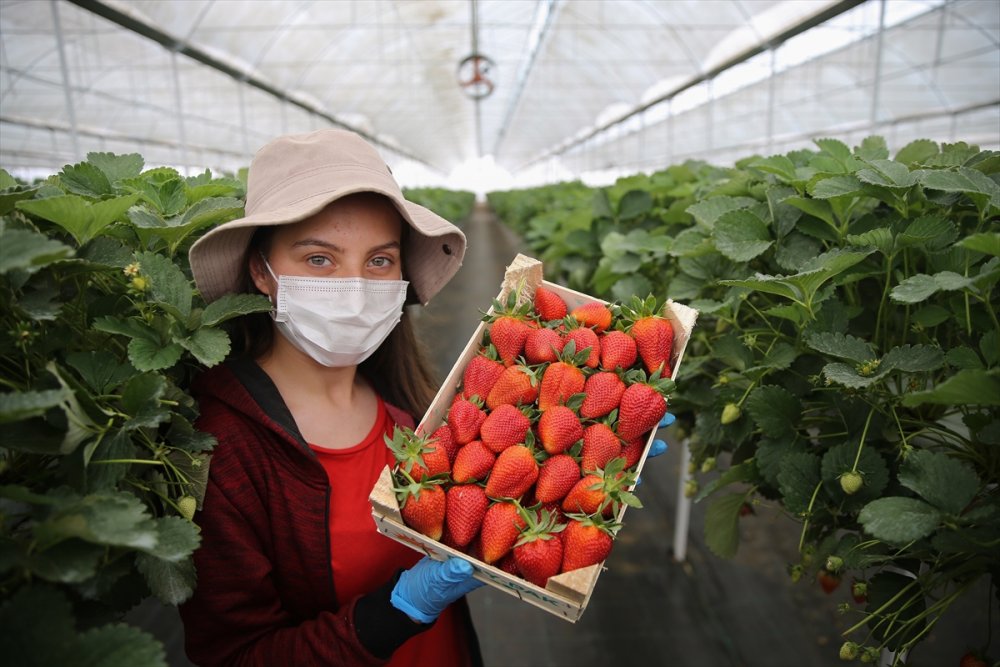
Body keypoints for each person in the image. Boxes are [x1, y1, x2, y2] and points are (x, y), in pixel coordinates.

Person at [180, 129, 483, 666]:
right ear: (261, 271)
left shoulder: (409, 409)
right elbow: (235, 655)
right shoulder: (222, 449)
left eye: (379, 261)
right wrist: (394, 614)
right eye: (319, 259)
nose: (355, 287)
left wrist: (575, 481)